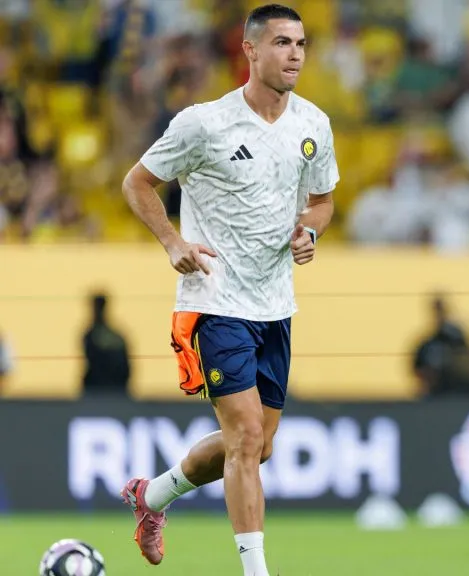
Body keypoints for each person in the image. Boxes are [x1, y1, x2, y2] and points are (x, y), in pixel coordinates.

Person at [118, 5, 338, 575]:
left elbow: (322, 201)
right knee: (244, 438)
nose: (295, 54)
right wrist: (172, 242)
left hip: (275, 305)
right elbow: (137, 183)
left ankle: (152, 495)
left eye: (301, 44)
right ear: (251, 50)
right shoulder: (204, 123)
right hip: (214, 301)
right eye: (283, 43)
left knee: (258, 445)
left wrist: (310, 230)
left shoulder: (313, 124)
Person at [82, 292, 131, 396]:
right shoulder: (93, 334)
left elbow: (122, 368)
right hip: (98, 390)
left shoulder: (112, 337)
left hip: (109, 390)